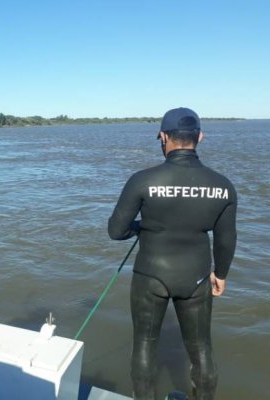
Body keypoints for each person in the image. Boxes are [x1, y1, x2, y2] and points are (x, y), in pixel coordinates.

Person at [107, 108, 237, 400]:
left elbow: (116, 231)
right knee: (202, 348)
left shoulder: (142, 180)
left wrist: (143, 227)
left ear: (163, 137)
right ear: (200, 137)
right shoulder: (223, 186)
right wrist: (222, 275)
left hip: (150, 276)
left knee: (144, 344)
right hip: (198, 277)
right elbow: (227, 238)